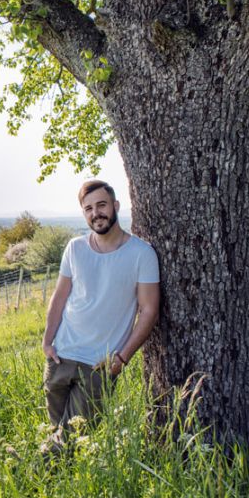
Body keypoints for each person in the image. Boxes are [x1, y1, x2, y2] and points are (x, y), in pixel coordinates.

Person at [41, 180, 160, 455]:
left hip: (98, 365)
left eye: (102, 205)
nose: (96, 213)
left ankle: (35, 485)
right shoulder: (75, 248)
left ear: (115, 206)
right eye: (88, 208)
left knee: (66, 444)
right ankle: (61, 490)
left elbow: (149, 310)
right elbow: (59, 296)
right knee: (56, 435)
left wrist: (122, 358)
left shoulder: (142, 253)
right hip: (60, 357)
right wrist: (47, 342)